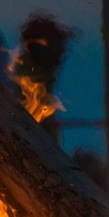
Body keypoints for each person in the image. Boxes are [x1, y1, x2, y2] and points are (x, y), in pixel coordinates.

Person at [12, 12, 75, 143]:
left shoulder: (39, 84)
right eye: (57, 42)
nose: (63, 50)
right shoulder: (30, 89)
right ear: (40, 46)